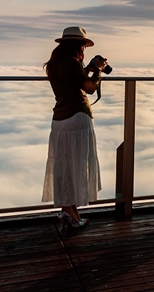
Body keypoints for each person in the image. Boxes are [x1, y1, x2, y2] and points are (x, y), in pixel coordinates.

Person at [41, 26, 108, 229]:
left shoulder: (54, 64)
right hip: (77, 118)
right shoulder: (72, 63)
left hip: (59, 120)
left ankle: (70, 213)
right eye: (83, 46)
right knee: (75, 166)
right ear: (78, 46)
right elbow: (88, 88)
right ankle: (71, 215)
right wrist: (98, 71)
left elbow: (69, 79)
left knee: (63, 166)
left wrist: (85, 69)